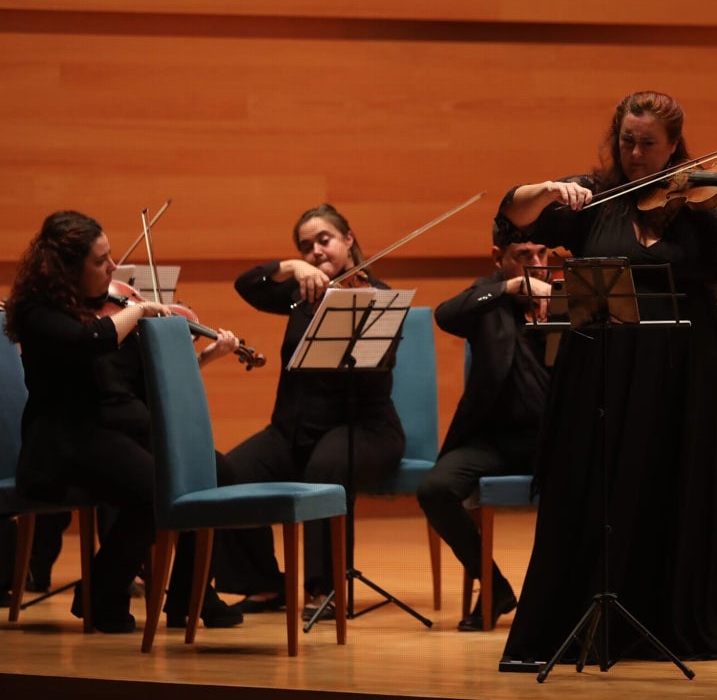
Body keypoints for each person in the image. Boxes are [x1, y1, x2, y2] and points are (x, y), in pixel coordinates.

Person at [498, 90, 717, 665]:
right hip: (603, 366)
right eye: (627, 141)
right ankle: (585, 615)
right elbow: (509, 217)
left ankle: (669, 622)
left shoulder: (699, 204)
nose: (636, 154)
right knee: (598, 486)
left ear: (674, 148)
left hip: (687, 368)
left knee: (675, 482)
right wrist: (546, 190)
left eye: (648, 144)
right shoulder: (593, 197)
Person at [2, 210, 243, 633]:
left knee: (213, 471)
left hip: (117, 432)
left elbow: (145, 386)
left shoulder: (107, 309)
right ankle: (102, 591)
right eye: (101, 261)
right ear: (68, 269)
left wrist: (197, 354)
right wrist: (142, 308)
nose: (113, 268)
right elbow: (89, 340)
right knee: (157, 488)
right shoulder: (41, 315)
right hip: (66, 442)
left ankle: (190, 596)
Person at [214, 204, 407, 617]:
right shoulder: (300, 295)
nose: (316, 251)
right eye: (306, 246)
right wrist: (289, 267)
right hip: (293, 432)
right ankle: (264, 583)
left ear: (348, 239)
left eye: (325, 240)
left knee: (325, 470)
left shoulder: (379, 297)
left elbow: (379, 374)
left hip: (364, 429)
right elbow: (246, 285)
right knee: (226, 473)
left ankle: (326, 588)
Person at [418, 222, 553, 631]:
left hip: (552, 440)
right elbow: (445, 314)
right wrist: (509, 289)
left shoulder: (571, 296)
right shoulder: (486, 298)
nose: (535, 264)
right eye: (522, 256)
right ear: (499, 259)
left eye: (542, 254)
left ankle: (560, 597)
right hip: (491, 440)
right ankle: (493, 585)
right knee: (435, 489)